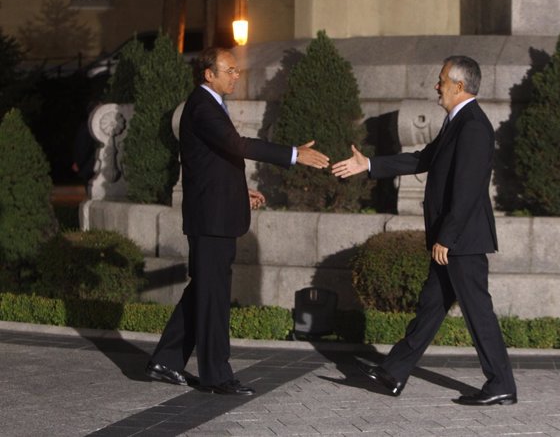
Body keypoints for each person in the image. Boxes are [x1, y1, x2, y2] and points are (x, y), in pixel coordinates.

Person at [332, 55, 517, 406]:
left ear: (459, 86)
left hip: (461, 240)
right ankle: (394, 371)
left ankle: (501, 383)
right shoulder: (456, 123)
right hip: (454, 237)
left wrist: (447, 236)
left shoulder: (474, 126)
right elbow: (422, 159)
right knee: (431, 305)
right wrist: (368, 164)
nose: (437, 86)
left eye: (442, 80)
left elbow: (468, 188)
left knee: (478, 311)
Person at [145, 47, 330, 395]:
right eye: (228, 70)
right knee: (213, 296)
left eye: (236, 70)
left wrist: (238, 191)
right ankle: (216, 376)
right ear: (208, 74)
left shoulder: (210, 104)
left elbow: (212, 161)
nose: (236, 76)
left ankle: (166, 361)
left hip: (216, 212)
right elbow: (236, 145)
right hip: (210, 221)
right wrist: (293, 154)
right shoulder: (201, 105)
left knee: (204, 290)